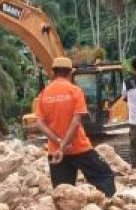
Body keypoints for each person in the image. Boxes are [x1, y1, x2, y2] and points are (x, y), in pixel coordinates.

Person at [35, 57, 116, 196]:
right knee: (104, 175)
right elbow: (76, 121)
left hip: (55, 152)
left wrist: (59, 143)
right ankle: (107, 209)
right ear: (70, 72)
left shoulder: (43, 94)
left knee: (63, 192)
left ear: (54, 72)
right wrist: (65, 144)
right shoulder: (75, 91)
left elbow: (39, 123)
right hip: (79, 148)